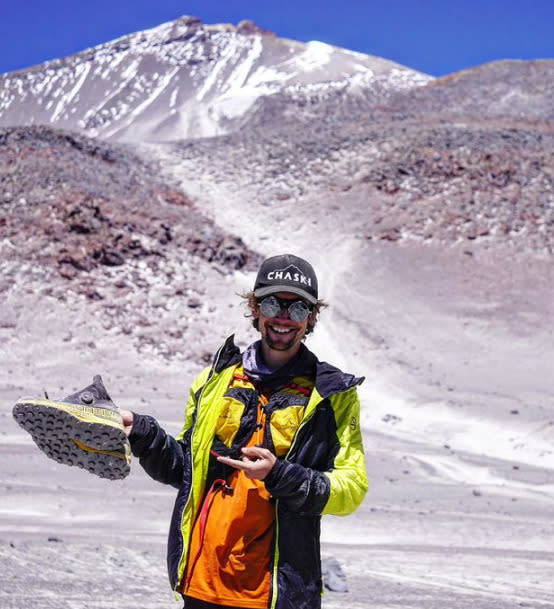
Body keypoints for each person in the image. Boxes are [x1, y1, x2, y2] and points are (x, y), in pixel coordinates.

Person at [121, 253, 368, 609]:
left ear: (312, 317)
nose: (283, 318)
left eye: (297, 309)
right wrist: (142, 432)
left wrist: (280, 475)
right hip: (202, 583)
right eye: (272, 304)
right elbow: (186, 470)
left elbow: (351, 489)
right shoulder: (212, 382)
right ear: (254, 308)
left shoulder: (331, 395)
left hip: (276, 594)